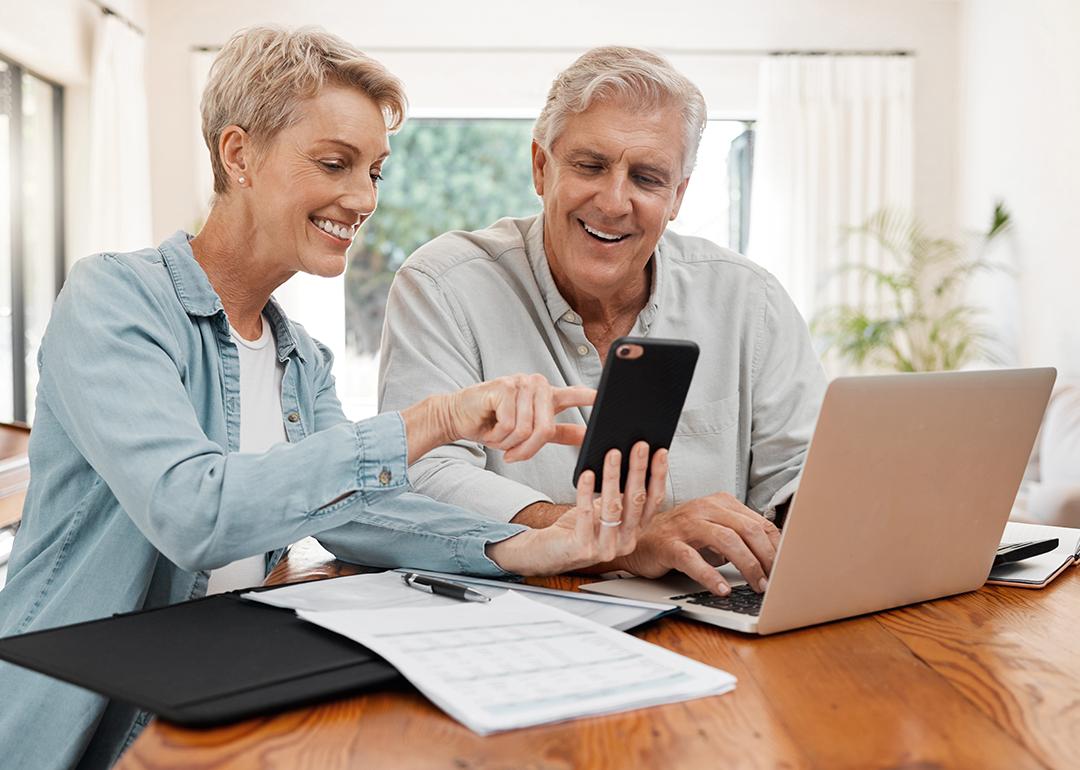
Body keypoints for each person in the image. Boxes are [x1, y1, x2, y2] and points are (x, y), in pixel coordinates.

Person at [0, 28, 668, 770]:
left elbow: (357, 511)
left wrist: (535, 545)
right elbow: (193, 512)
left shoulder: (300, 358)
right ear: (237, 154)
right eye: (333, 164)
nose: (362, 198)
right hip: (79, 731)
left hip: (208, 703)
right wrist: (433, 420)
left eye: (375, 172)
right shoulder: (114, 300)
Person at [379, 46, 827, 598]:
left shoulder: (749, 300)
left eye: (647, 177)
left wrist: (817, 511)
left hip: (714, 613)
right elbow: (416, 476)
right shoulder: (445, 285)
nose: (615, 202)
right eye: (591, 166)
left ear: (678, 196)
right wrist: (617, 539)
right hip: (521, 619)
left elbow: (805, 469)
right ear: (541, 167)